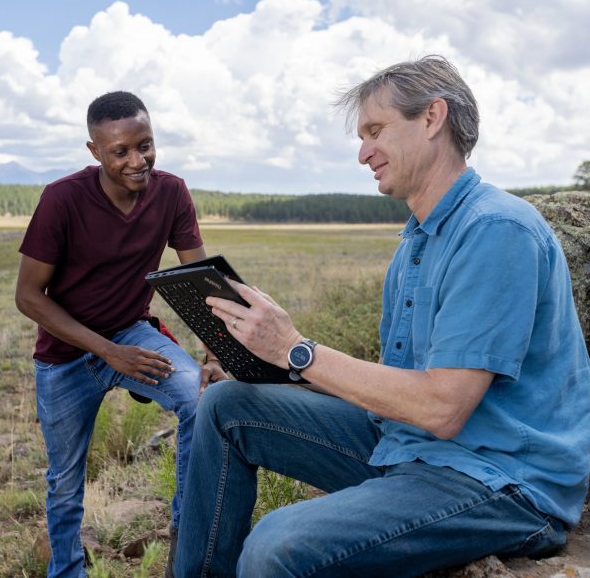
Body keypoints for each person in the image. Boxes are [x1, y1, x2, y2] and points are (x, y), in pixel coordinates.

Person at [174, 56, 590, 577]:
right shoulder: (416, 241)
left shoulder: (495, 230)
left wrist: (296, 349)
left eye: (375, 131)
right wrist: (273, 363)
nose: (362, 153)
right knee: (227, 405)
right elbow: (400, 391)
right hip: (413, 447)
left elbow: (442, 408)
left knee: (276, 545)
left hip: (499, 479)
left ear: (433, 118)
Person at [15, 91, 225, 578]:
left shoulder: (171, 192)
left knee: (202, 399)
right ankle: (67, 572)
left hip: (133, 334)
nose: (138, 160)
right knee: (65, 480)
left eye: (145, 145)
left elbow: (203, 284)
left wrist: (214, 356)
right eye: (121, 152)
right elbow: (29, 296)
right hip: (65, 357)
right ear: (94, 152)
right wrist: (110, 354)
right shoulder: (62, 199)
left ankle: (185, 551)